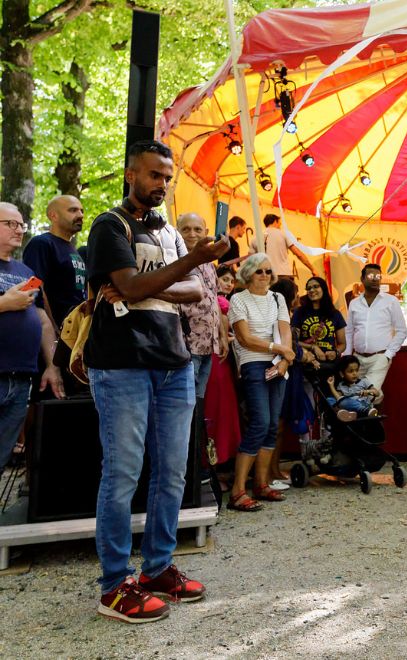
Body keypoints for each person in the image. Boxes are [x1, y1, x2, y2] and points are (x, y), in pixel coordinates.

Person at [84, 140, 228, 622]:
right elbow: (132, 287)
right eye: (152, 175)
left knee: (171, 472)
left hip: (175, 361)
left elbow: (194, 291)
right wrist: (184, 265)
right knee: (123, 473)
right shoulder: (109, 225)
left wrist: (155, 279)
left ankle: (159, 568)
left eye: (166, 176)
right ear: (130, 175)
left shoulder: (167, 231)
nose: (161, 184)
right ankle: (113, 586)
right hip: (121, 364)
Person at [227, 253, 294, 512]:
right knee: (259, 423)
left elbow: (285, 330)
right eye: (259, 271)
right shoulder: (238, 299)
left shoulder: (277, 298)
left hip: (278, 363)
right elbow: (244, 338)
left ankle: (262, 483)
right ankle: (238, 491)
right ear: (248, 274)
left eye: (268, 271)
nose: (265, 275)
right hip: (253, 363)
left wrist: (285, 360)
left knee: (272, 425)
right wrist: (279, 349)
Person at [0, 202, 64, 470]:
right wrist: (4, 303)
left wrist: (52, 366)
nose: (19, 230)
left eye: (21, 225)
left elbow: (42, 321)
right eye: (10, 224)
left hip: (22, 378)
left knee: (2, 457)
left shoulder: (28, 273)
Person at [177, 213, 226, 398]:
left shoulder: (210, 265)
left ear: (206, 233)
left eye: (197, 229)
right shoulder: (174, 262)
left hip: (208, 344)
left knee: (199, 399)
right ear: (177, 232)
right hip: (186, 345)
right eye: (186, 229)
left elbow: (214, 301)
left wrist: (221, 334)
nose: (192, 234)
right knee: (185, 400)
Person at [22, 194, 86, 327]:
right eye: (73, 210)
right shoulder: (42, 243)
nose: (81, 215)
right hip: (54, 331)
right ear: (53, 216)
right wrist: (52, 328)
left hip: (76, 331)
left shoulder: (73, 250)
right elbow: (34, 286)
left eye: (82, 211)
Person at [345, 263, 407, 389]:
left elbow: (402, 331)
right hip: (357, 359)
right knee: (356, 392)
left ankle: (374, 399)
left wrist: (388, 355)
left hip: (380, 357)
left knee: (368, 391)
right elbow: (349, 332)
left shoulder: (391, 301)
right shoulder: (354, 303)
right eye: (371, 275)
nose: (374, 278)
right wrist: (347, 357)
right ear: (362, 279)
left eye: (378, 276)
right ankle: (376, 402)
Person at [204, 264, 241, 466]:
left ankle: (216, 461)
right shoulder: (219, 302)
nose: (228, 283)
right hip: (216, 360)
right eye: (224, 279)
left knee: (221, 408)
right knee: (218, 408)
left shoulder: (223, 302)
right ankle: (215, 461)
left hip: (221, 361)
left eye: (231, 281)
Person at [291, 276, 347, 366]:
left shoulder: (335, 314)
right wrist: (313, 347)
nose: (312, 290)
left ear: (323, 289)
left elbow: (342, 344)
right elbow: (293, 341)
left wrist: (335, 353)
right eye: (309, 288)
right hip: (306, 364)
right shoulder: (299, 312)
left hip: (329, 365)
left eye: (316, 286)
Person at [250, 213, 317, 282]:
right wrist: (312, 269)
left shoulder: (255, 238)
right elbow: (298, 254)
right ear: (275, 221)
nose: (280, 226)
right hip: (284, 275)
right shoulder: (283, 234)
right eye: (279, 223)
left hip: (265, 278)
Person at [325, 355, 381, 422]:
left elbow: (377, 393)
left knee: (344, 402)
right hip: (348, 408)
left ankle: (366, 411)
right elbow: (339, 399)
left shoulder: (364, 381)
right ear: (342, 374)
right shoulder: (341, 385)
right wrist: (331, 385)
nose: (355, 373)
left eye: (356, 370)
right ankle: (342, 413)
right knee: (330, 399)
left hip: (363, 405)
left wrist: (368, 391)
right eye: (350, 371)